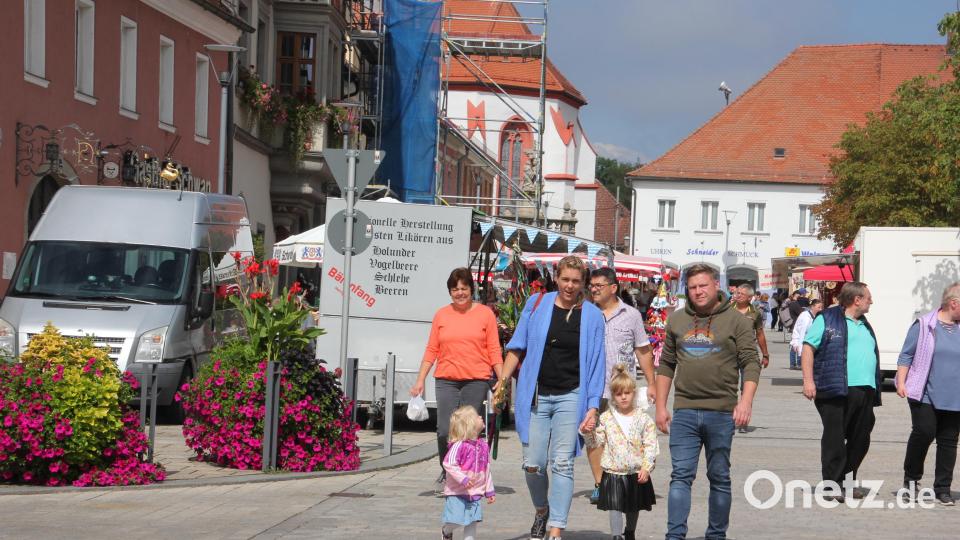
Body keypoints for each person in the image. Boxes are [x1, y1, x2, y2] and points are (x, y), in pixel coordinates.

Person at [497, 255, 606, 540]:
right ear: (556, 278)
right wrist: (502, 380)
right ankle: (542, 510)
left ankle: (557, 526)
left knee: (562, 463)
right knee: (533, 464)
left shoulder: (592, 315)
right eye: (565, 279)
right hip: (536, 396)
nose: (570, 286)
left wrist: (593, 406)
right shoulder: (537, 304)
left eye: (576, 281)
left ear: (584, 283)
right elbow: (517, 346)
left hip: (572, 395)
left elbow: (597, 365)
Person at [655, 264, 760, 540]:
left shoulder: (737, 320)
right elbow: (666, 364)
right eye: (692, 287)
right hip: (685, 411)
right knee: (680, 476)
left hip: (722, 412)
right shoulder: (677, 320)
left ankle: (716, 535)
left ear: (716, 286)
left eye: (703, 285)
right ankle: (674, 535)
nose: (698, 291)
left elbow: (751, 363)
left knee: (719, 478)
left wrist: (745, 401)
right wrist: (660, 407)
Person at [411, 267, 503, 496]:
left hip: (476, 379)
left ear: (472, 289)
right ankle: (448, 470)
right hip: (446, 379)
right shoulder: (441, 315)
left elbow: (493, 348)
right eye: (455, 289)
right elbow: (432, 348)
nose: (460, 293)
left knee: (469, 431)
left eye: (464, 288)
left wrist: (502, 379)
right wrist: (420, 379)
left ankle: (470, 474)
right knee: (444, 429)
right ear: (450, 291)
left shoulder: (485, 314)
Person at [801, 281, 882, 501]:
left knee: (861, 439)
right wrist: (808, 380)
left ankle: (846, 482)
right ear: (857, 300)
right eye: (868, 297)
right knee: (834, 439)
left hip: (865, 390)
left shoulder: (864, 323)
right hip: (835, 388)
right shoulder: (827, 319)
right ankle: (832, 485)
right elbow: (808, 347)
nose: (871, 301)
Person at [586, 267, 656, 506]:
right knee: (594, 437)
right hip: (593, 388)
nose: (593, 289)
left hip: (621, 389)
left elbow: (643, 350)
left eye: (599, 285)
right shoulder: (586, 313)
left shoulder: (632, 315)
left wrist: (652, 382)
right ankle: (599, 483)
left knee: (626, 436)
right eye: (592, 285)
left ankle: (624, 478)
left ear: (613, 288)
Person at [895, 282, 960, 506]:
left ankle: (942, 488)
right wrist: (901, 382)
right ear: (954, 303)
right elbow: (906, 355)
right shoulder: (924, 325)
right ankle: (911, 481)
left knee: (949, 441)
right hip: (924, 392)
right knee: (924, 433)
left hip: (955, 395)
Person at [584, 365, 658, 540]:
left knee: (633, 507)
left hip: (635, 471)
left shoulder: (643, 419)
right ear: (613, 397)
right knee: (615, 506)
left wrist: (647, 467)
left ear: (634, 393)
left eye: (627, 393)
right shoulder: (606, 418)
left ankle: (630, 531)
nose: (623, 397)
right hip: (613, 471)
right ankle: (616, 536)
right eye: (618, 394)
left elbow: (651, 445)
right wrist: (588, 432)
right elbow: (596, 442)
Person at [440, 406, 496, 540]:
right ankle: (447, 531)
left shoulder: (483, 445)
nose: (481, 417)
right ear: (469, 424)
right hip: (457, 491)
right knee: (456, 520)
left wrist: (489, 491)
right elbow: (448, 463)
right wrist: (463, 479)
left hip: (475, 492)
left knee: (472, 521)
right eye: (477, 416)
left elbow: (486, 470)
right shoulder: (459, 445)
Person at [732, 284, 769, 434]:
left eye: (741, 294)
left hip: (748, 355)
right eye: (737, 292)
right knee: (728, 388)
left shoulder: (755, 313)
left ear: (749, 297)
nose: (738, 295)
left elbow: (760, 334)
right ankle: (730, 419)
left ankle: (743, 419)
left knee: (746, 389)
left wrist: (765, 354)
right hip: (728, 355)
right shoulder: (727, 310)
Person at [789, 300, 823, 370]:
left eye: (821, 307)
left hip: (805, 339)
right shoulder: (805, 316)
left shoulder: (815, 316)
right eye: (818, 307)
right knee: (797, 349)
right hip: (800, 339)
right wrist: (798, 345)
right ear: (812, 307)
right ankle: (797, 363)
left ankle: (797, 363)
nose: (820, 309)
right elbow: (802, 332)